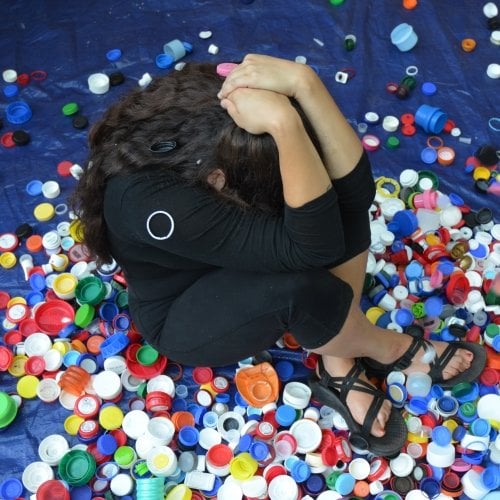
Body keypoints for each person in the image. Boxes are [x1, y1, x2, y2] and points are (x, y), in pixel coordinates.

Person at [71, 54, 485, 456]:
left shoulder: (211, 126)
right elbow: (313, 249)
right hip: (183, 309)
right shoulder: (152, 202)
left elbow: (355, 196)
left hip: (220, 248)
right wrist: (285, 126)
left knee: (335, 204)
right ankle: (391, 350)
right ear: (218, 179)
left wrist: (307, 85)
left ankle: (336, 363)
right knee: (298, 286)